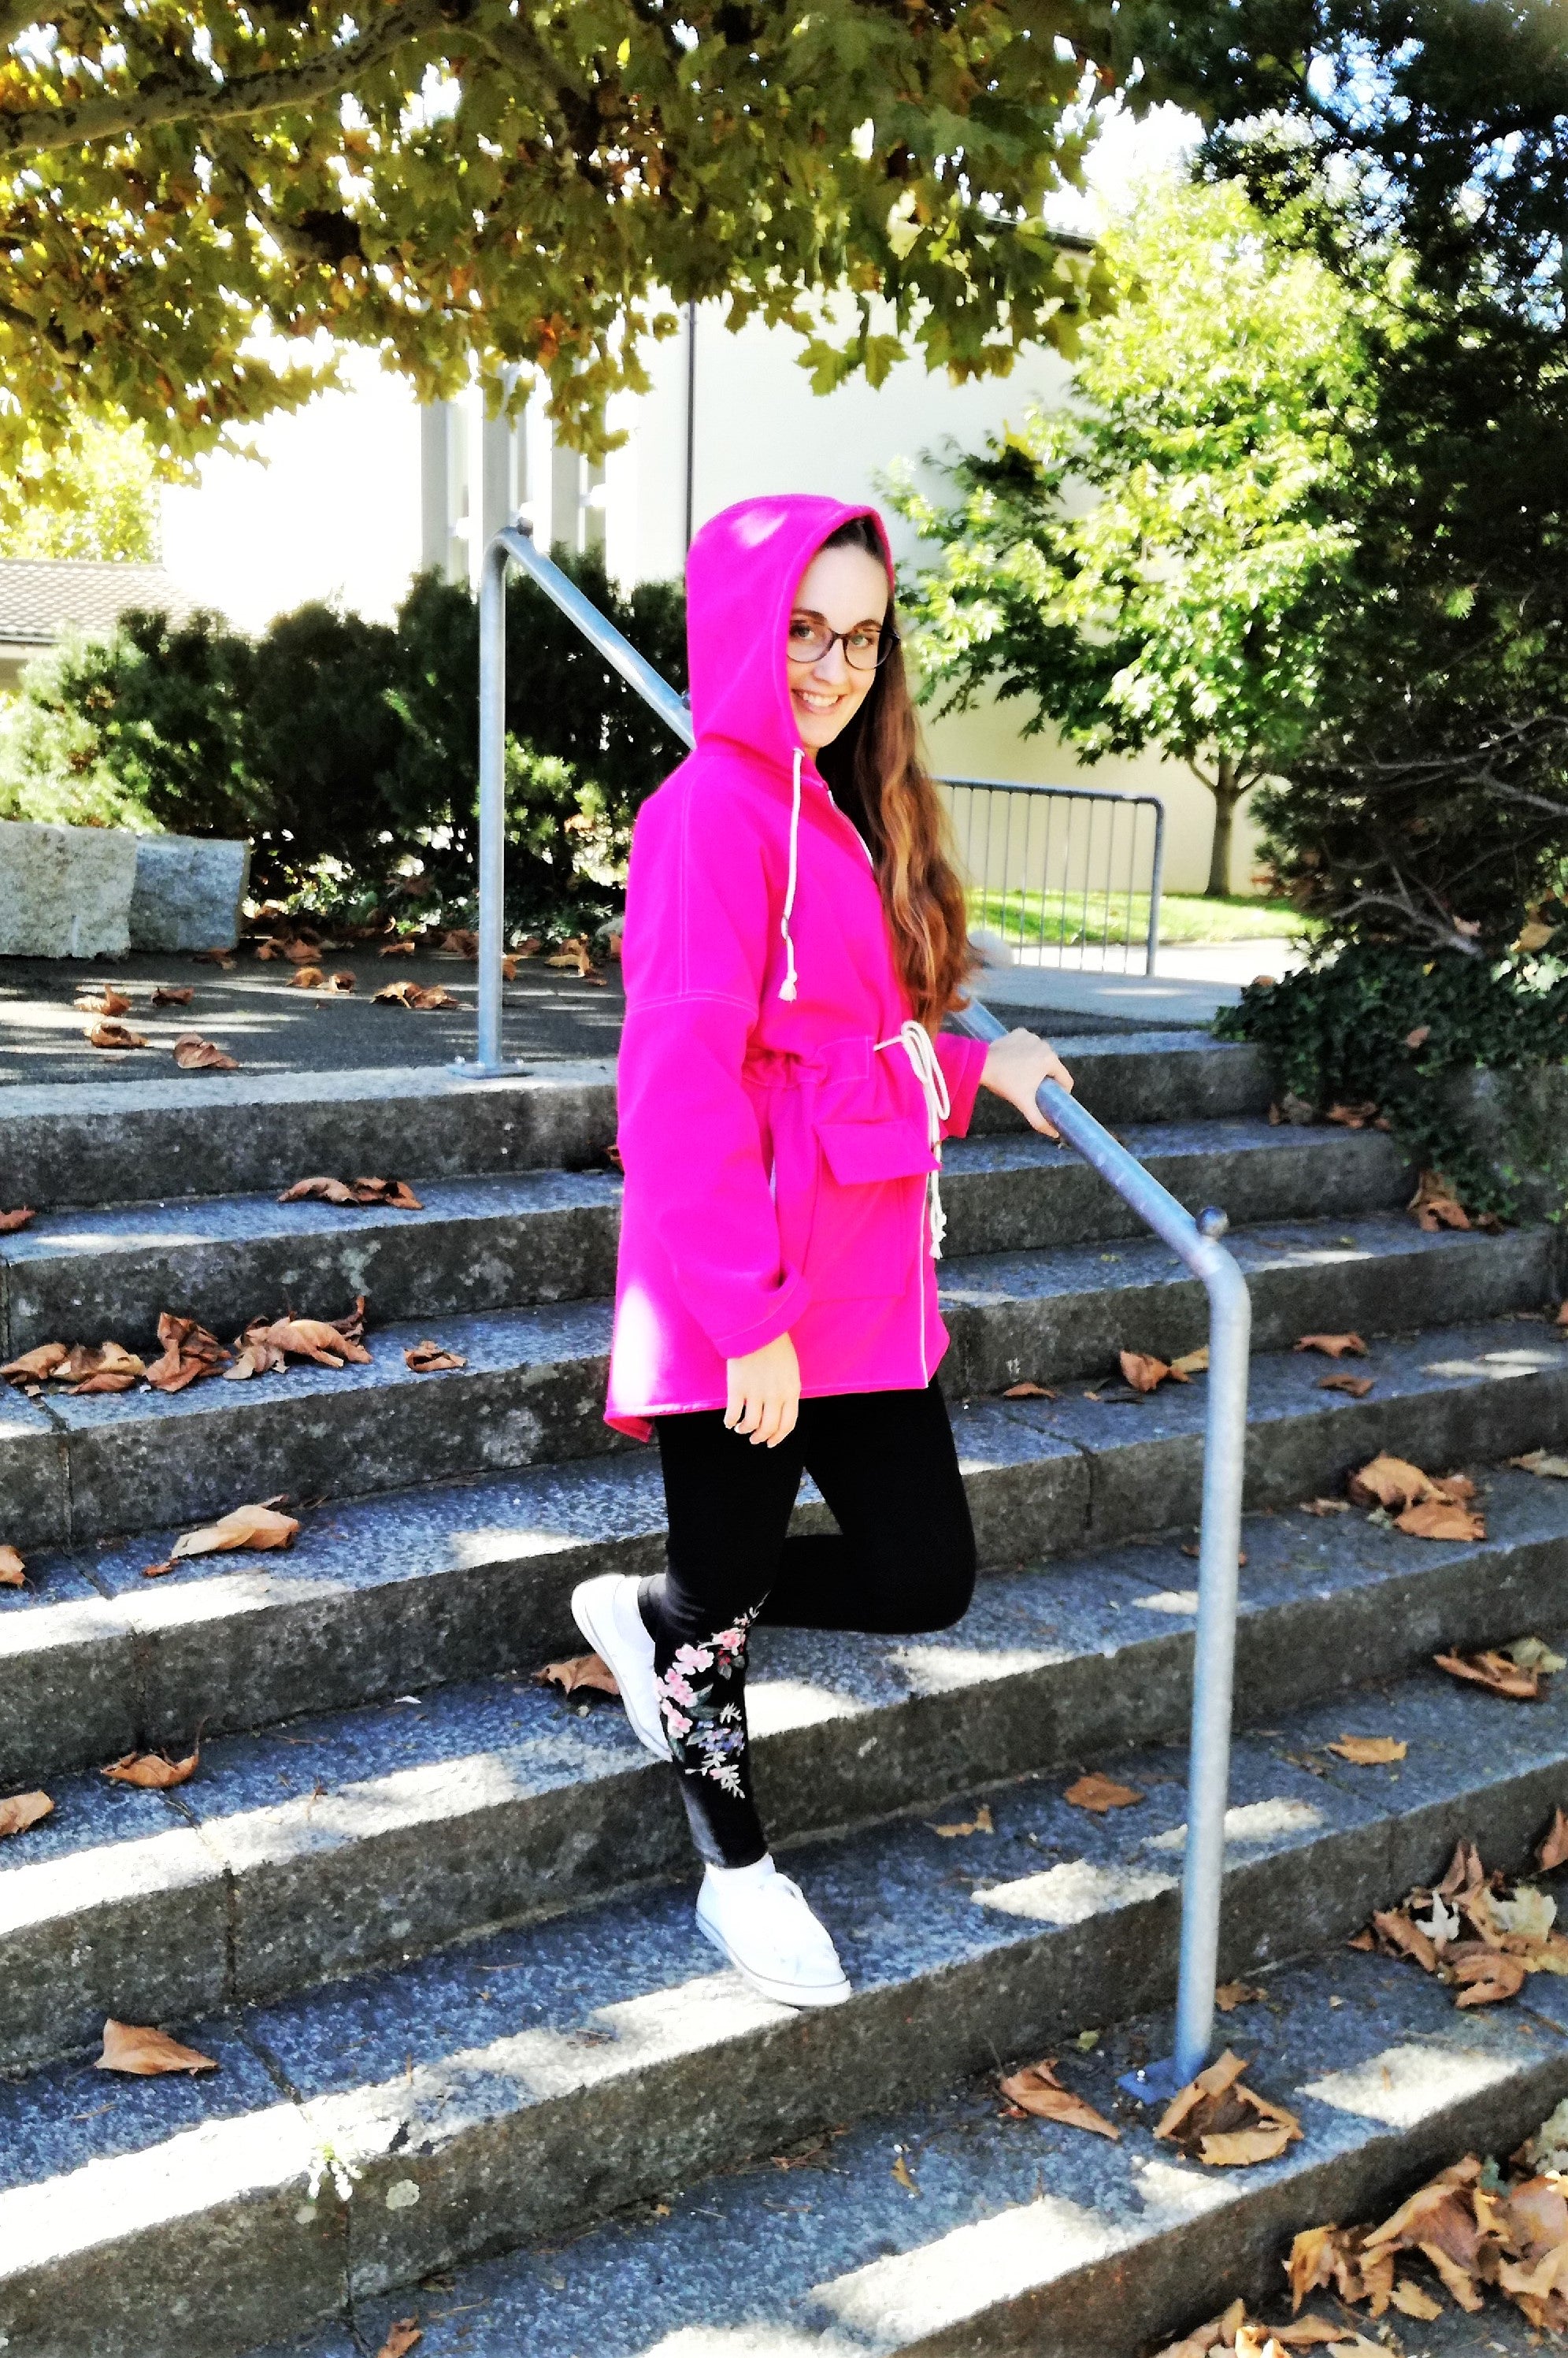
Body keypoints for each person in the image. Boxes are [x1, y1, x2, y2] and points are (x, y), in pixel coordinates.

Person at [573, 495, 1073, 2009]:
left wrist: (968, 1065)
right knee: (726, 1602)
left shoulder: (839, 810)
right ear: (742, 626)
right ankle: (734, 1869)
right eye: (803, 628)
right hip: (749, 1296)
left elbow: (845, 1048)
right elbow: (679, 1090)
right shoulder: (705, 818)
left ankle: (660, 1617)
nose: (833, 665)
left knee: (923, 1573)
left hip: (862, 1283)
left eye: (861, 637)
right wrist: (747, 1318)